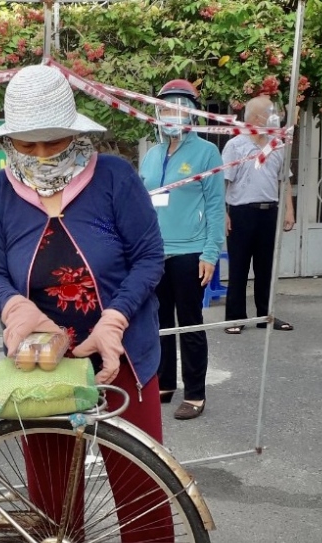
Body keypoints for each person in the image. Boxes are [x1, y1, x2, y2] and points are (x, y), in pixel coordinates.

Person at [0, 64, 199, 543]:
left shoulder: (115, 179)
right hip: (41, 367)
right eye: (29, 143)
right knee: (52, 496)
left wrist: (114, 321)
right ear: (10, 142)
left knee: (141, 491)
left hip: (119, 357)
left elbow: (150, 257)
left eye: (54, 140)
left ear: (76, 133)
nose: (43, 154)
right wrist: (16, 309)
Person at [138, 79, 225, 421]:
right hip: (154, 254)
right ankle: (164, 381)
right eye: (164, 107)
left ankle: (195, 393)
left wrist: (210, 253)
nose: (169, 113)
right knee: (158, 322)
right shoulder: (152, 155)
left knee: (189, 323)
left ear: (190, 112)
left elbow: (216, 207)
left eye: (176, 107)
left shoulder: (207, 152)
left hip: (190, 253)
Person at [221, 95, 295, 333]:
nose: (275, 117)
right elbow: (222, 183)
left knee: (266, 268)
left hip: (269, 212)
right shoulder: (235, 146)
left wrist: (289, 210)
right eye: (270, 112)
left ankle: (266, 315)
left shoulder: (278, 144)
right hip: (241, 213)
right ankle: (235, 318)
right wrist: (224, 214)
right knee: (239, 268)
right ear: (255, 117)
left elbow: (285, 181)